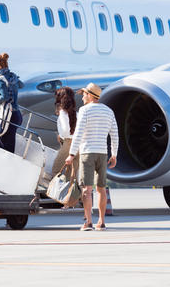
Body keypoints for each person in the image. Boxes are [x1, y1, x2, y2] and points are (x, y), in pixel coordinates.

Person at [65, 82, 118, 231]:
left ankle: (88, 222)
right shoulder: (109, 111)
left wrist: (71, 154)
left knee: (87, 190)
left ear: (89, 95)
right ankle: (101, 222)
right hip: (102, 153)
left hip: (87, 152)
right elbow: (114, 134)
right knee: (101, 188)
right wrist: (114, 154)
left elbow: (79, 133)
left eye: (83, 95)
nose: (82, 98)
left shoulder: (84, 111)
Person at [0, 53, 23, 153]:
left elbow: (5, 97)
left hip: (7, 116)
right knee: (8, 145)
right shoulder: (12, 76)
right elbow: (21, 85)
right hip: (16, 115)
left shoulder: (0, 79)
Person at [51, 87, 78, 180]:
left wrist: (61, 136)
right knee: (72, 174)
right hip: (77, 144)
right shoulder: (75, 112)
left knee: (56, 170)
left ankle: (53, 192)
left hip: (68, 143)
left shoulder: (63, 112)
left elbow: (66, 130)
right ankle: (72, 194)